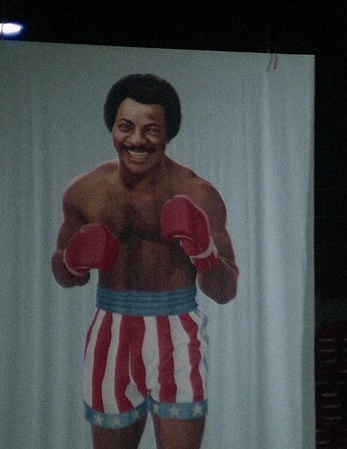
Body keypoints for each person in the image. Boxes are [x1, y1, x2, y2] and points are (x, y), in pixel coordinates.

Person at [51, 73, 239, 449]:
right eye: (126, 127)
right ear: (113, 127)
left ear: (168, 134)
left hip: (176, 332)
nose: (136, 140)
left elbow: (225, 290)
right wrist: (72, 261)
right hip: (110, 328)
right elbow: (63, 272)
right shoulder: (85, 192)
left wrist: (204, 253)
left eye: (151, 130)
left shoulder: (197, 194)